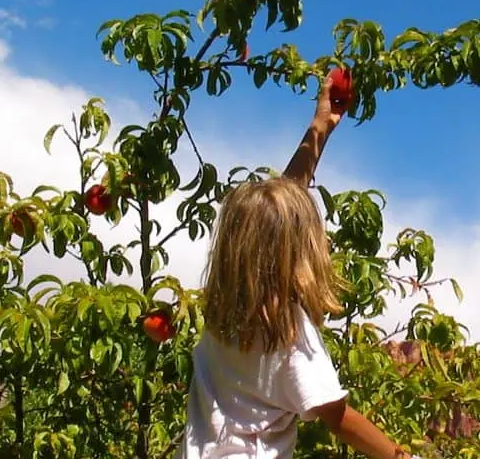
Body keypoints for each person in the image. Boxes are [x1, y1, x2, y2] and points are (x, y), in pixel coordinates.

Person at [178, 72, 419, 459]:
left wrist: (320, 127)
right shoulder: (286, 330)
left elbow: (272, 215)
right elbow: (336, 416)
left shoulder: (224, 311)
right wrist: (401, 457)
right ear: (297, 250)